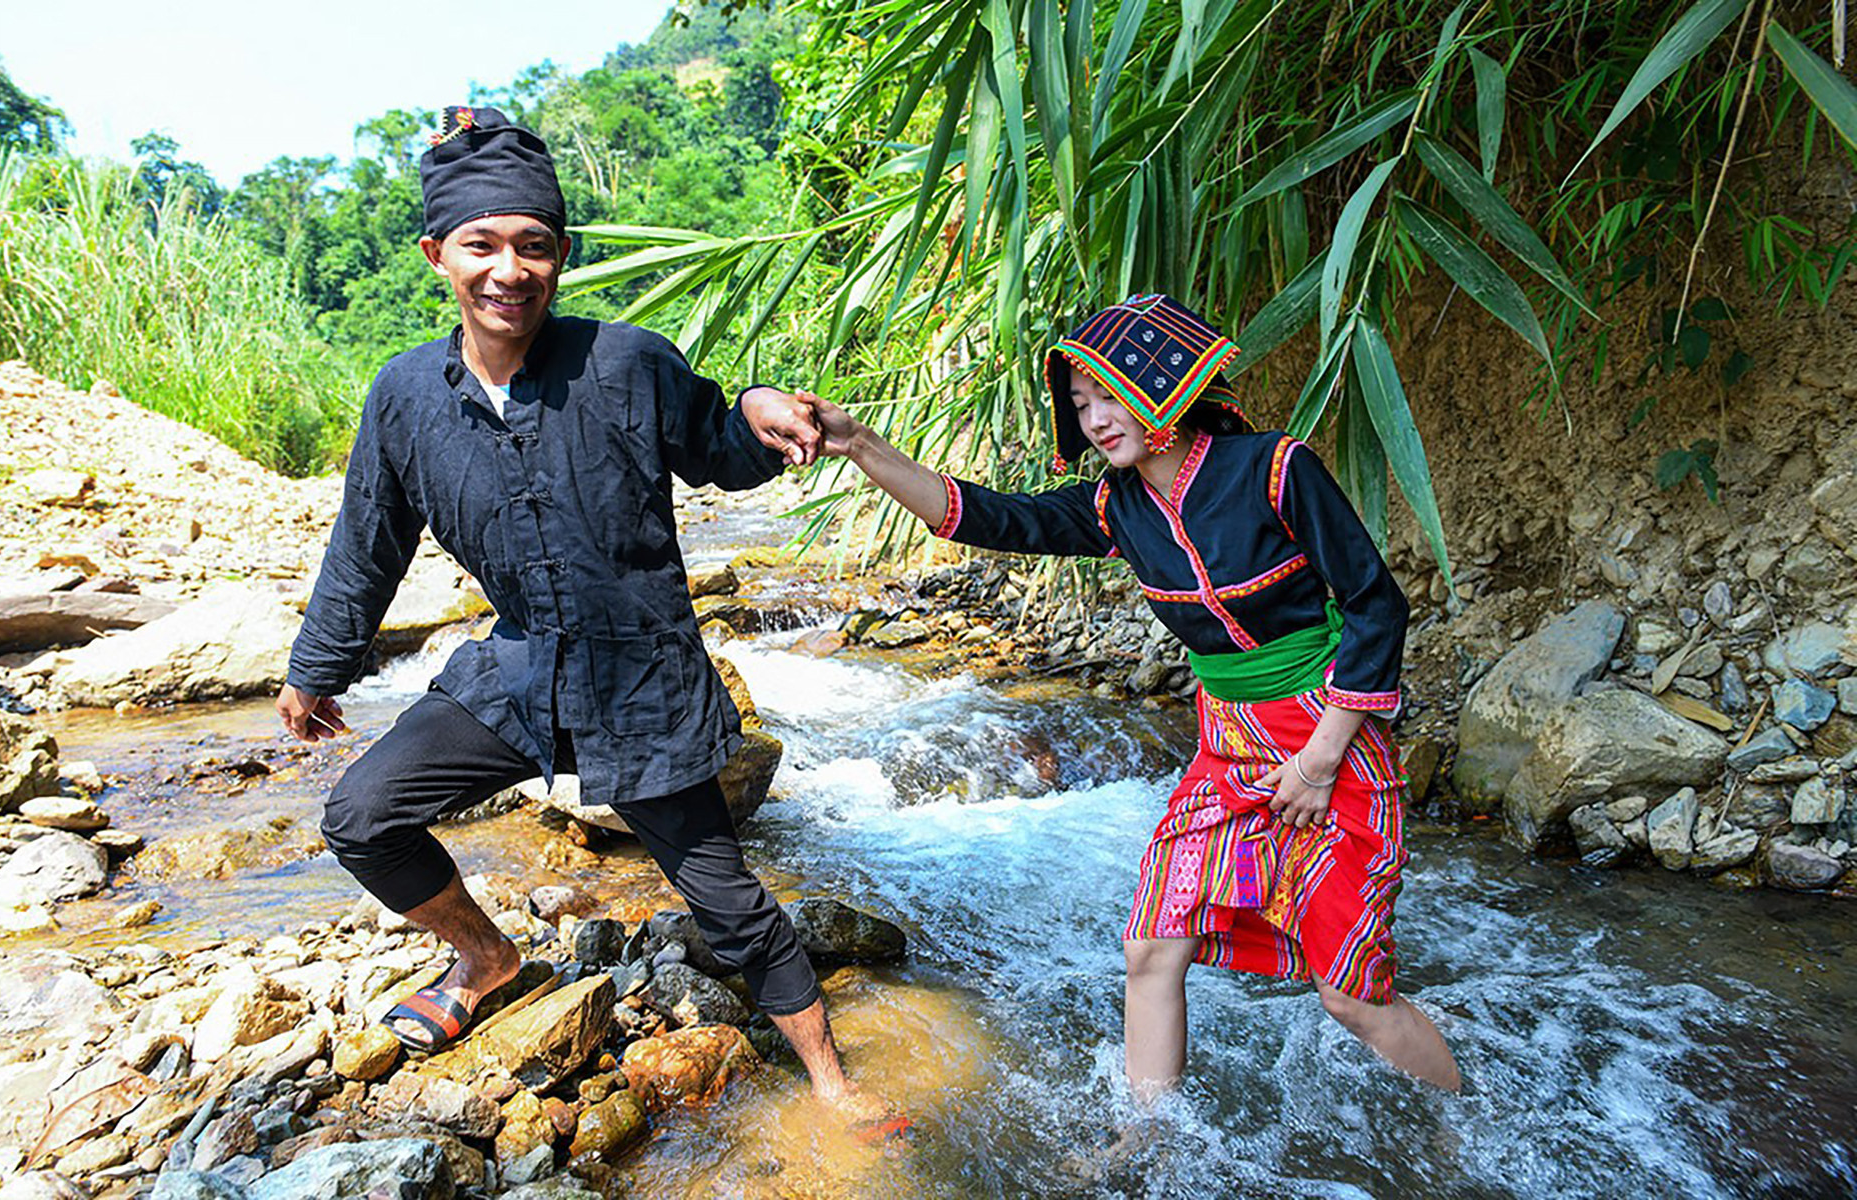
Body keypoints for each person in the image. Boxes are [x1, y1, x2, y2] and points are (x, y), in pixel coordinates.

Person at [277, 105, 879, 1116]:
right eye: (482, 245)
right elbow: (366, 542)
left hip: (641, 679)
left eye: (534, 246)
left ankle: (832, 1081)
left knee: (728, 907)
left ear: (560, 258)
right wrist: (314, 668)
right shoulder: (404, 398)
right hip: (518, 670)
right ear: (438, 256)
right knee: (362, 814)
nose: (508, 268)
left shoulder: (627, 363)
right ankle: (484, 960)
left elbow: (721, 446)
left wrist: (767, 407)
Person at [804, 293, 1460, 1097]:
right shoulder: (1117, 506)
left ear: (1168, 383)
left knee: (1350, 997)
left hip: (1330, 735)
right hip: (1229, 748)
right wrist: (862, 446)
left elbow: (1375, 605)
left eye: (1110, 394)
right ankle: (1145, 1143)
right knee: (1151, 948)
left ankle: (1464, 1124)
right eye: (1081, 406)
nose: (1096, 420)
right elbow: (988, 516)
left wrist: (1320, 759)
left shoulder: (1275, 469)